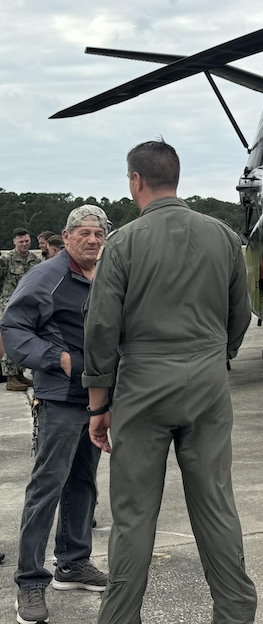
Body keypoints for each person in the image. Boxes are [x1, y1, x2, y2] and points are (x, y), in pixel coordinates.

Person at [83, 140, 257, 624]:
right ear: (175, 177)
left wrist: (98, 405)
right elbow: (241, 314)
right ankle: (235, 612)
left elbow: (101, 327)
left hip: (142, 383)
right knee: (216, 503)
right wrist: (216, 356)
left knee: (134, 514)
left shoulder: (123, 242)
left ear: (136, 180)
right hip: (207, 380)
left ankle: (121, 617)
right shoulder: (223, 236)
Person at [1, 205, 110, 624]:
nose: (92, 240)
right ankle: (30, 581)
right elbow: (13, 328)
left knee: (83, 482)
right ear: (65, 238)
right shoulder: (46, 276)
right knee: (47, 486)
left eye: (99, 234)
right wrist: (57, 358)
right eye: (83, 233)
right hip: (60, 399)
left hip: (96, 399)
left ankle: (73, 563)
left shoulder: (106, 275)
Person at [1, 228, 42, 391]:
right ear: (14, 242)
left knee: (24, 339)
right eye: (21, 242)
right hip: (9, 304)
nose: (24, 244)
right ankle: (10, 377)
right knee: (11, 339)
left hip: (28, 304)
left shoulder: (34, 259)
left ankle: (19, 373)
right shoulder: (6, 259)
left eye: (27, 241)